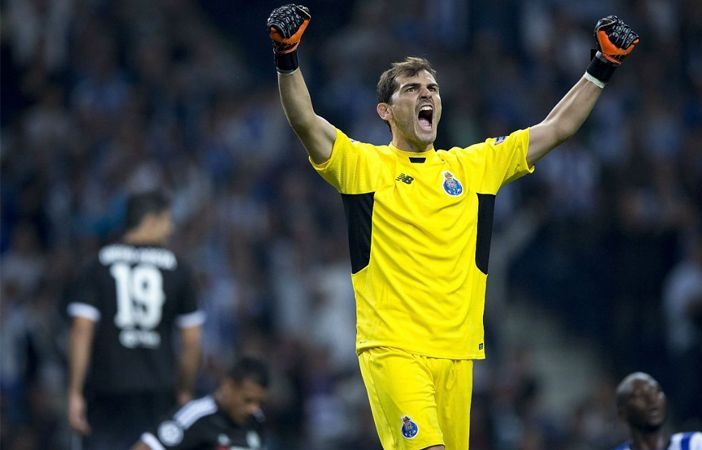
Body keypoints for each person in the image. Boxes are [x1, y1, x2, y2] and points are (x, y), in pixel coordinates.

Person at [267, 4, 638, 449]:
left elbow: (557, 127)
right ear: (385, 111)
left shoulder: (474, 166)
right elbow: (305, 121)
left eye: (432, 88)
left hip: (458, 352)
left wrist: (602, 66)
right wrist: (287, 57)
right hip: (394, 348)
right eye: (411, 89)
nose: (426, 94)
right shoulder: (363, 164)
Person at [66, 190, 205, 450]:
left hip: (107, 389)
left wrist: (74, 392)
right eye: (167, 221)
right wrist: (184, 390)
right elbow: (191, 341)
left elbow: (81, 331)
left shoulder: (97, 265)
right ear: (150, 221)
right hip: (158, 391)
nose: (171, 229)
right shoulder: (178, 268)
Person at [131, 356, 269, 450]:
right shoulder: (195, 416)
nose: (254, 408)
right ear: (228, 386)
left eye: (259, 402)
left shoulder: (256, 420)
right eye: (247, 400)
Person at [611, 372, 702, 450]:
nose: (652, 400)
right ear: (622, 413)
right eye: (639, 396)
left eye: (656, 391)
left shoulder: (696, 445)